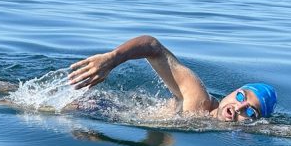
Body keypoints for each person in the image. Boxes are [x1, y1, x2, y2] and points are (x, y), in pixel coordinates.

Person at [68, 35, 277, 122]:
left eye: (250, 111)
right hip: (97, 107)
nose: (239, 108)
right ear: (233, 90)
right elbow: (153, 47)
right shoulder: (198, 98)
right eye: (242, 97)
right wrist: (112, 59)